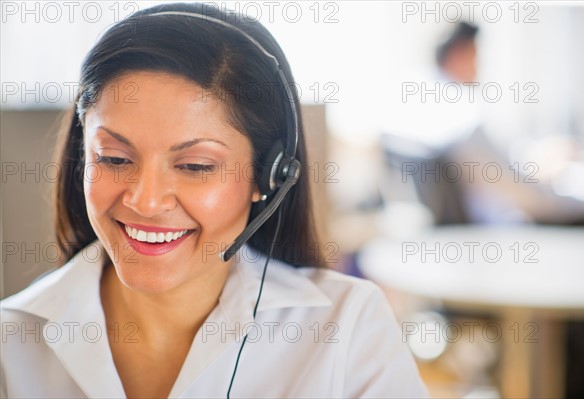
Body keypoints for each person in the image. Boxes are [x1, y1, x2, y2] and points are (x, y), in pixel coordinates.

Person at [0, 3, 428, 398]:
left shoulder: (347, 328)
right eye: (114, 158)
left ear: (269, 176)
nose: (146, 201)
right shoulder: (11, 339)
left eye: (196, 166)